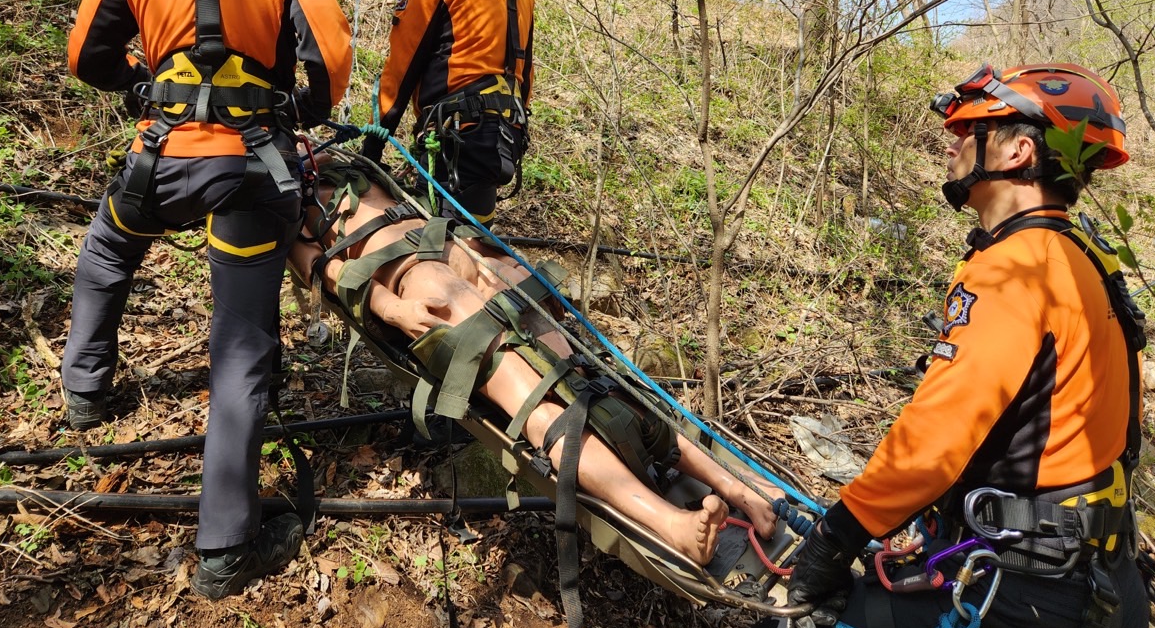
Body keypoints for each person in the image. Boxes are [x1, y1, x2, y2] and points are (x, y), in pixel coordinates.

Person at [62, 0, 353, 600]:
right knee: (241, 344)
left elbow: (87, 57)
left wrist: (142, 86)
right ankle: (224, 549)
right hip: (251, 172)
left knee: (108, 250)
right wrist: (295, 111)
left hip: (158, 160)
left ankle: (84, 392)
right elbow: (330, 66)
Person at [767, 63, 1149, 628]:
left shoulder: (1016, 270)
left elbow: (939, 434)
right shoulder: (1085, 256)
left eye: (971, 132)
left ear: (1017, 151)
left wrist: (837, 535)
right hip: (1097, 577)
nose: (952, 145)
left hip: (1020, 590)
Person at [286, 157, 785, 566]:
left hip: (466, 255)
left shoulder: (343, 161)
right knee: (541, 403)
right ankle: (671, 525)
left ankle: (735, 486)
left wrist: (490, 254)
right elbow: (322, 270)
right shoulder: (284, 203)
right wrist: (390, 308)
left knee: (591, 380)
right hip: (418, 282)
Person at [364, 0, 533, 229]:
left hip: (454, 141)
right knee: (474, 237)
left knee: (435, 246)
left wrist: (372, 145)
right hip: (503, 140)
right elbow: (525, 72)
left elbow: (401, 70)